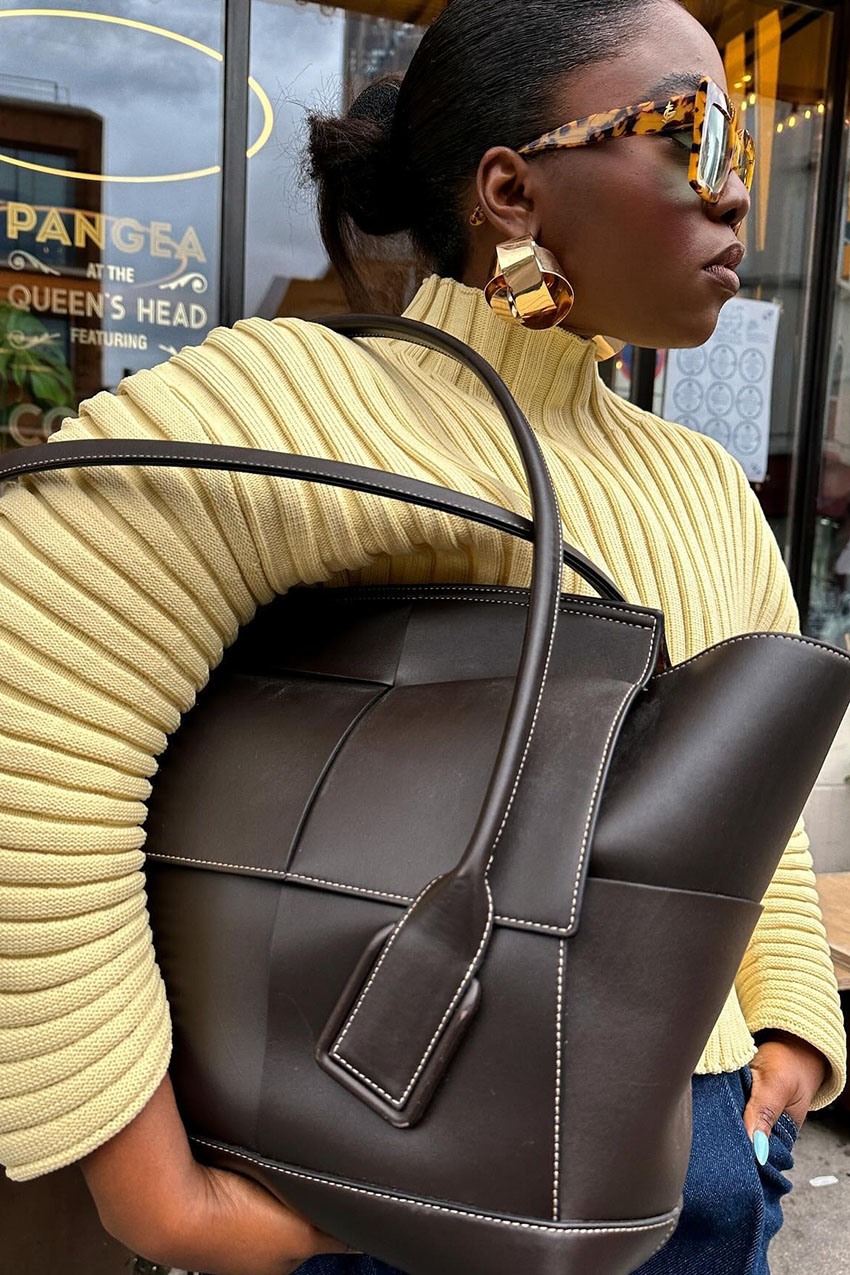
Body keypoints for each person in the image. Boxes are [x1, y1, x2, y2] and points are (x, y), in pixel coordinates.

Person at [0, 1, 844, 1273]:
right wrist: (144, 1186)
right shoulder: (300, 401)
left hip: (700, 1161)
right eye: (695, 135)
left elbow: (751, 802)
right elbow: (31, 746)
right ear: (511, 188)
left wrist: (789, 1026)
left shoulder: (704, 484)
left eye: (745, 147)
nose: (736, 197)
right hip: (382, 1162)